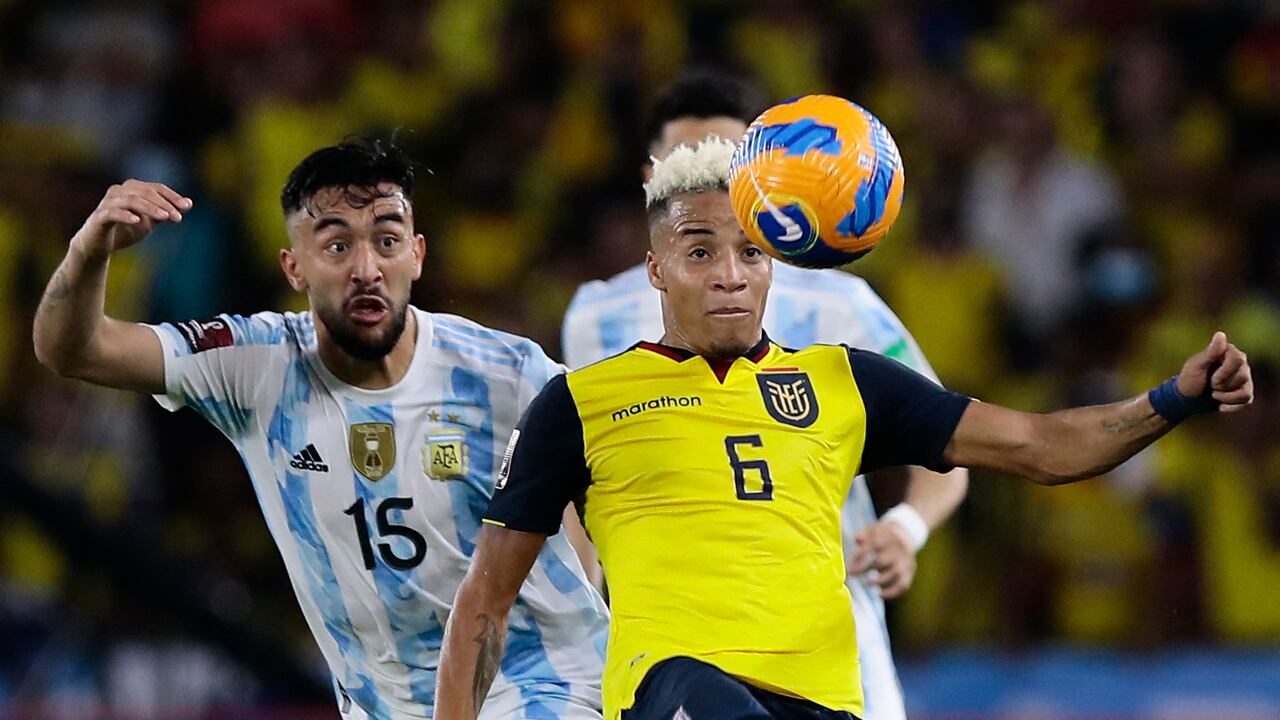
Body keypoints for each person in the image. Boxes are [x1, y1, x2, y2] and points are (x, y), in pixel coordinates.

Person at [433, 138, 1254, 720]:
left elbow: (1039, 447)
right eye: (699, 252)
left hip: (829, 697)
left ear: (776, 263)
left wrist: (1172, 400)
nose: (729, 274)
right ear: (655, 269)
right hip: (673, 687)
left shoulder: (841, 380)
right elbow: (486, 599)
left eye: (750, 253)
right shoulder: (582, 401)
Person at [32, 139, 609, 720]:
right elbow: (74, 350)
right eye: (336, 245)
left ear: (417, 254)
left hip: (543, 687)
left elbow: (598, 500)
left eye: (387, 241)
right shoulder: (257, 365)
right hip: (386, 706)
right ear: (295, 268)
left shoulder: (507, 373)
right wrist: (90, 249)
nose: (366, 270)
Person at [561, 69, 967, 720]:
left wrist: (904, 527)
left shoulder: (841, 303)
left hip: (825, 641)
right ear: (651, 181)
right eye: (685, 160)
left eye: (729, 160)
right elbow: (583, 488)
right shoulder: (595, 317)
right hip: (667, 645)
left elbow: (948, 447)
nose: (710, 179)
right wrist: (581, 617)